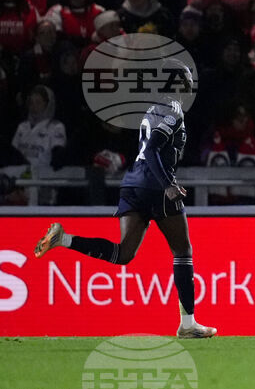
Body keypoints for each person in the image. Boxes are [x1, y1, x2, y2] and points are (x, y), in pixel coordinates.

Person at [33, 62, 218, 339]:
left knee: (124, 254)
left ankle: (65, 239)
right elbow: (154, 147)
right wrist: (168, 184)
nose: (190, 84)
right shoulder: (173, 109)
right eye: (187, 79)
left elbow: (148, 149)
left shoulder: (153, 108)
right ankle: (188, 323)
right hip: (156, 186)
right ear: (176, 82)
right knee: (183, 251)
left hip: (133, 183)